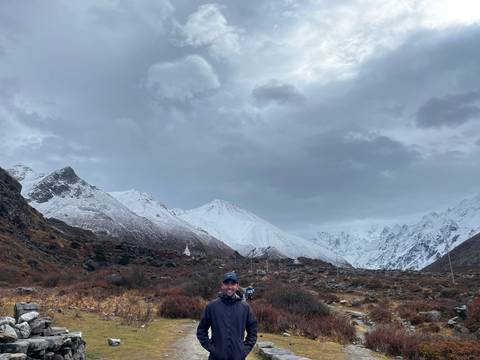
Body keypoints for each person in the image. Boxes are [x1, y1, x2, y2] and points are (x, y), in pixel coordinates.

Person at [197, 272, 257, 360]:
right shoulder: (211, 306)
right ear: (222, 285)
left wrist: (243, 351)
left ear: (237, 286)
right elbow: (201, 331)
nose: (229, 287)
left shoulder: (245, 308)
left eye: (233, 284)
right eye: (226, 284)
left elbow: (253, 332)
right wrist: (213, 349)